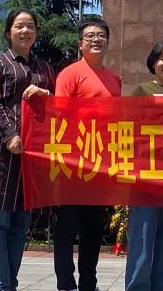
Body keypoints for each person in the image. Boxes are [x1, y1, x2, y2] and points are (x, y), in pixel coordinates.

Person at [0, 9, 56, 291]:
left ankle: (10, 283)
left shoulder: (45, 69)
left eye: (30, 26)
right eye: (19, 26)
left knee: (20, 225)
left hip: (33, 157)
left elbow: (59, 105)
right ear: (9, 32)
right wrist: (9, 135)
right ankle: (1, 285)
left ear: (36, 33)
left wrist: (46, 93)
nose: (25, 31)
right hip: (3, 156)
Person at [53, 19, 123, 291]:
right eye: (90, 35)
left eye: (101, 35)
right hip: (74, 161)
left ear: (108, 42)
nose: (96, 39)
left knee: (93, 229)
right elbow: (60, 114)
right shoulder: (70, 74)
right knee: (67, 227)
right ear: (80, 43)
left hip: (100, 163)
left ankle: (88, 284)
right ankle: (65, 283)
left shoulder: (114, 79)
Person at [124, 40, 163, 291]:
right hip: (146, 177)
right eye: (162, 59)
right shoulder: (141, 90)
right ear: (153, 62)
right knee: (142, 238)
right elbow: (129, 129)